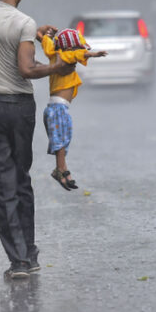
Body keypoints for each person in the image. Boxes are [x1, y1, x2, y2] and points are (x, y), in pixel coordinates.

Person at [0, 0, 73, 279]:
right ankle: (29, 251)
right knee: (21, 179)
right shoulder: (25, 22)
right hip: (20, 109)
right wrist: (58, 66)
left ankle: (19, 261)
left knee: (2, 187)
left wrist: (30, 33)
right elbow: (27, 69)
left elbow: (2, 36)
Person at [39, 28, 106, 191]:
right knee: (61, 142)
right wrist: (93, 55)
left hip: (58, 108)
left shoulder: (54, 54)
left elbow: (47, 44)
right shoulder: (64, 55)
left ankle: (61, 169)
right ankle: (61, 170)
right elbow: (77, 55)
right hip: (58, 108)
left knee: (63, 140)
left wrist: (42, 36)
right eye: (79, 47)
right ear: (70, 48)